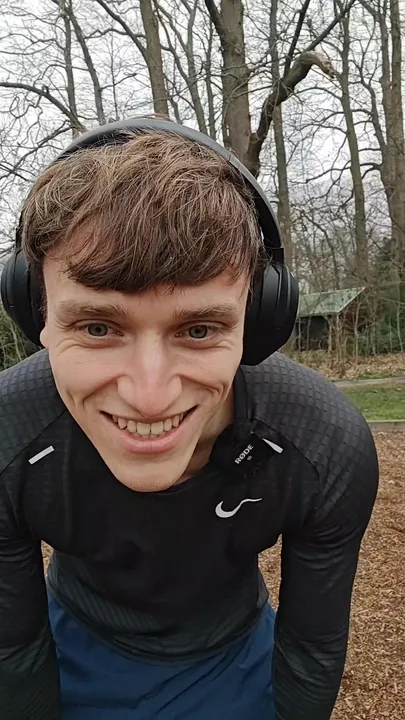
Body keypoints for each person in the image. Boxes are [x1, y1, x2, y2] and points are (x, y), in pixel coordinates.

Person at [0, 117, 378, 720]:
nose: (150, 396)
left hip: (236, 654)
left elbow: (313, 649)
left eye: (199, 330)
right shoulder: (8, 434)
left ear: (258, 323)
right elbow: (13, 647)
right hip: (70, 639)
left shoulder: (322, 444)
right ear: (36, 316)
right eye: (97, 327)